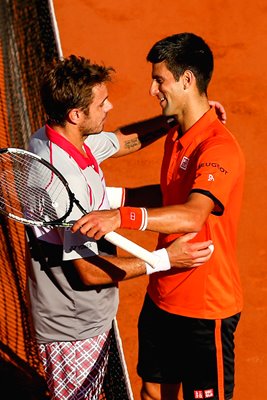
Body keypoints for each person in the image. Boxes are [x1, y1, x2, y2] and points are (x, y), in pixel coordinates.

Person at [26, 54, 214, 400]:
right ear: (76, 114)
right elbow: (88, 272)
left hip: (86, 317)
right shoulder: (62, 182)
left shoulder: (56, 138)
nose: (110, 105)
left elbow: (121, 140)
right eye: (102, 102)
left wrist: (176, 117)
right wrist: (165, 260)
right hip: (72, 329)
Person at [72, 33, 245, 400]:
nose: (152, 89)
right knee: (152, 393)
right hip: (162, 293)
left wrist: (120, 216)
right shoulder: (177, 132)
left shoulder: (219, 147)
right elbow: (168, 191)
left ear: (187, 81)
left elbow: (194, 215)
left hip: (204, 307)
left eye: (159, 80)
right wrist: (105, 199)